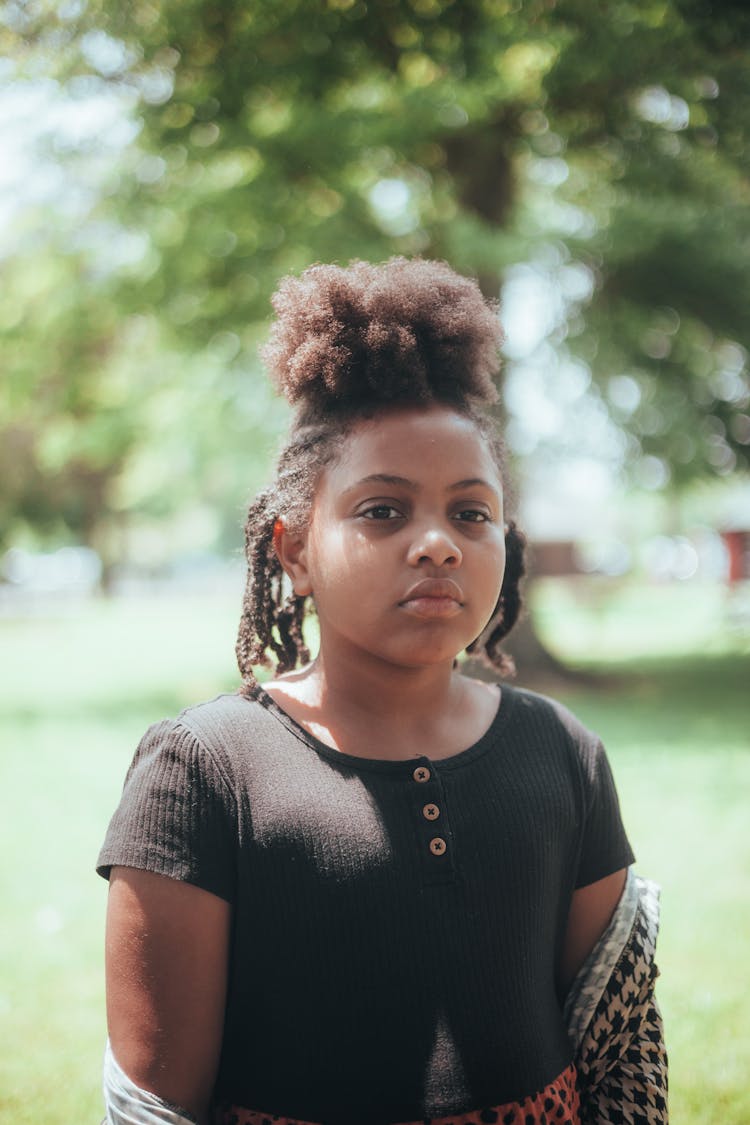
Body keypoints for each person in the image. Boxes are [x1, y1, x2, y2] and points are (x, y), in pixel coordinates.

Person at [98, 258, 667, 1125]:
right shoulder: (205, 771)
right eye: (382, 511)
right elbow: (155, 1105)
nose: (438, 544)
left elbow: (620, 1054)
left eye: (471, 514)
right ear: (292, 550)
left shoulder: (562, 752)